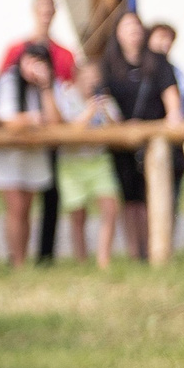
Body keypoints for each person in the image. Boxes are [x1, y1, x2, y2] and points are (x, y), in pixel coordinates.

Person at [98, 9, 181, 259]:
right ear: (118, 33)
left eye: (136, 26)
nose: (133, 32)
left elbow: (171, 98)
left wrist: (173, 120)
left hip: (154, 140)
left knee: (153, 198)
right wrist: (120, 126)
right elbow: (103, 100)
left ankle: (155, 250)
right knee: (131, 200)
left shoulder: (157, 61)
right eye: (127, 27)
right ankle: (136, 252)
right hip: (122, 142)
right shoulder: (109, 63)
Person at [0, 48, 71, 268]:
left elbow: (55, 121)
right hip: (9, 155)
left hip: (34, 155)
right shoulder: (8, 81)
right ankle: (17, 260)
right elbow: (7, 118)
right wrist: (34, 119)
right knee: (16, 208)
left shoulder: (51, 87)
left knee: (26, 209)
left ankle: (21, 257)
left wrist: (45, 87)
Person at [56, 57, 123, 267]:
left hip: (98, 160)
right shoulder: (66, 97)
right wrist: (89, 113)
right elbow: (67, 129)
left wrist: (104, 112)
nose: (91, 82)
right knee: (78, 214)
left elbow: (117, 127)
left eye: (95, 78)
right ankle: (81, 260)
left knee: (110, 207)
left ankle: (104, 259)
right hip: (72, 162)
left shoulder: (104, 99)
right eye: (87, 77)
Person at [149, 22, 184, 117]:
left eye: (170, 39)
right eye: (161, 37)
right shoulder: (141, 70)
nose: (166, 42)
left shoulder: (176, 70)